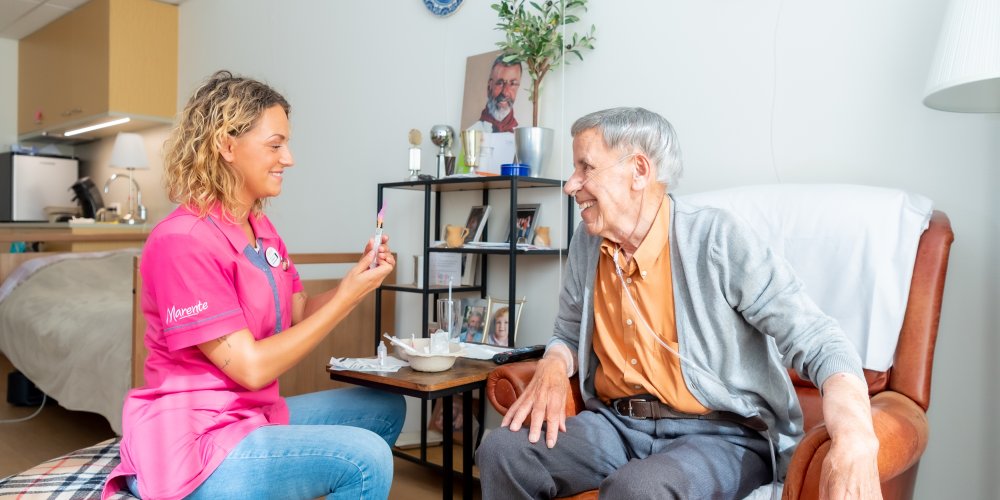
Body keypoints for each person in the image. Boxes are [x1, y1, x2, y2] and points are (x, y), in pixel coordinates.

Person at [476, 107, 881, 499]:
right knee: (503, 453)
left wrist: (855, 434)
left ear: (638, 171)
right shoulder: (588, 242)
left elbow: (817, 337)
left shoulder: (716, 239)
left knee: (638, 490)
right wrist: (553, 362)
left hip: (720, 436)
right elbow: (567, 330)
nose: (570, 184)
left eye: (586, 167)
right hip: (618, 426)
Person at [102, 70, 405, 500]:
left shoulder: (258, 226)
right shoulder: (182, 242)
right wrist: (348, 298)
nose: (289, 158)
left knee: (383, 407)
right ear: (227, 145)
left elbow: (297, 312)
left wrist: (355, 283)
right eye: (275, 144)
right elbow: (252, 367)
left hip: (248, 417)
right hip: (192, 444)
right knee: (366, 457)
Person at [477, 55, 523, 133]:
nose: (505, 92)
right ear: (489, 87)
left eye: (513, 84)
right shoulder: (472, 133)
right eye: (500, 83)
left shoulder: (521, 136)